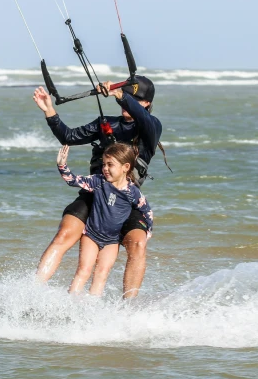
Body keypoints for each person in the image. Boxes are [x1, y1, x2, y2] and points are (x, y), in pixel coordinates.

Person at [32, 75, 164, 298]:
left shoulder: (150, 127)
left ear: (146, 103)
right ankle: (32, 292)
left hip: (125, 199)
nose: (127, 103)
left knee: (138, 245)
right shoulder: (107, 123)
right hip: (95, 192)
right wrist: (49, 111)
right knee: (65, 233)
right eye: (126, 96)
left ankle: (128, 309)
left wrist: (121, 95)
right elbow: (69, 136)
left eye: (134, 98)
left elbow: (142, 117)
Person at [57, 142, 153, 296]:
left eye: (110, 165)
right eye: (104, 164)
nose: (105, 169)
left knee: (101, 273)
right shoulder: (98, 181)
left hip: (112, 241)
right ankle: (71, 303)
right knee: (84, 270)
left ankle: (92, 309)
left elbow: (146, 211)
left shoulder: (133, 192)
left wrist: (148, 232)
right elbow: (73, 180)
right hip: (91, 235)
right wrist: (62, 165)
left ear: (125, 167)